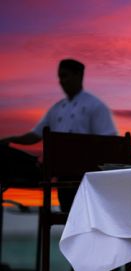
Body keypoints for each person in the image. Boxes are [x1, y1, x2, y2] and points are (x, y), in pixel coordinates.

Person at [0, 58, 118, 210]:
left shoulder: (95, 106)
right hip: (60, 175)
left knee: (82, 215)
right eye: (60, 77)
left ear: (79, 76)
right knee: (67, 214)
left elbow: (109, 142)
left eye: (65, 76)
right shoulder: (56, 108)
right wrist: (9, 139)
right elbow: (35, 135)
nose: (61, 81)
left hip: (85, 177)